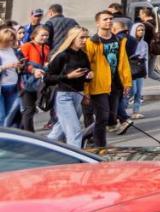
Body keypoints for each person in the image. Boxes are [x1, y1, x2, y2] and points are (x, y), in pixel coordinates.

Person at [84, 10, 132, 145]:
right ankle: (100, 146)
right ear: (97, 23)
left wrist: (127, 82)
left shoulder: (119, 39)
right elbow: (86, 66)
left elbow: (124, 62)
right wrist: (86, 90)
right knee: (102, 117)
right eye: (105, 19)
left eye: (111, 19)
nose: (109, 21)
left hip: (116, 83)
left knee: (112, 116)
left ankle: (87, 135)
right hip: (98, 84)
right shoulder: (92, 42)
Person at [46, 27, 91, 148]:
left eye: (86, 37)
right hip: (63, 95)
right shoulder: (62, 56)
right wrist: (68, 76)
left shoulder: (83, 55)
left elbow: (85, 77)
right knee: (75, 131)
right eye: (81, 37)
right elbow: (48, 78)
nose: (85, 40)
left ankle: (38, 151)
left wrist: (88, 76)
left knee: (59, 131)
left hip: (78, 94)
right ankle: (75, 161)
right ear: (72, 38)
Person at [17, 25, 50, 132]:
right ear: (34, 35)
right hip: (27, 81)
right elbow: (21, 63)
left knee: (30, 109)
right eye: (42, 35)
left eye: (46, 35)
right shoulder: (26, 46)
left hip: (39, 81)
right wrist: (33, 70)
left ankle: (22, 132)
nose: (44, 37)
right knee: (29, 109)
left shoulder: (46, 47)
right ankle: (29, 135)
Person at [134, 7, 160, 94]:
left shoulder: (144, 25)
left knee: (139, 72)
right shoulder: (159, 23)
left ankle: (138, 94)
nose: (139, 16)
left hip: (146, 51)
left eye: (140, 14)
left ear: (144, 14)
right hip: (155, 50)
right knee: (149, 72)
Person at [125, 21, 148, 120]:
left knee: (139, 91)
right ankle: (122, 109)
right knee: (132, 90)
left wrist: (146, 71)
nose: (141, 32)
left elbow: (146, 57)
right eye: (138, 30)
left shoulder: (144, 44)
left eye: (142, 30)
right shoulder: (129, 41)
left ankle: (136, 111)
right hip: (131, 68)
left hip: (140, 69)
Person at [0, 28, 21, 126]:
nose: (10, 42)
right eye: (8, 41)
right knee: (1, 116)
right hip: (2, 87)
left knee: (10, 115)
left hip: (13, 86)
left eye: (12, 40)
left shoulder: (13, 50)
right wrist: (5, 66)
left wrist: (20, 65)